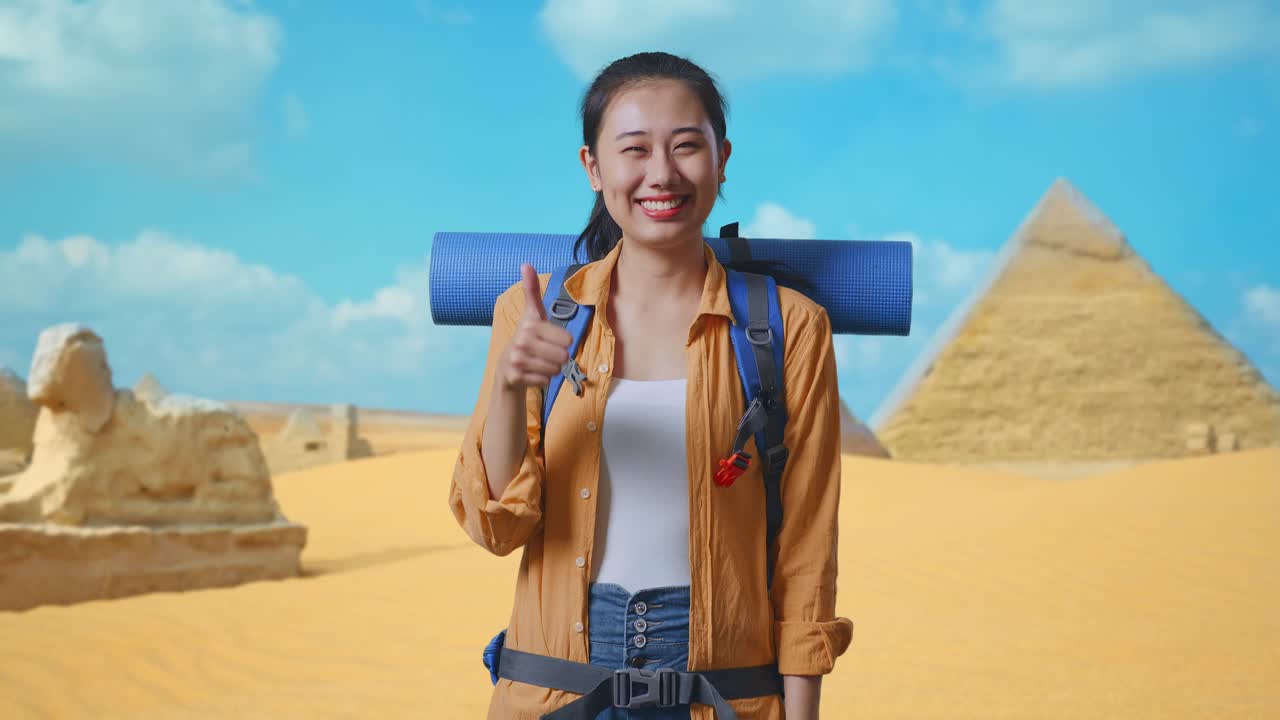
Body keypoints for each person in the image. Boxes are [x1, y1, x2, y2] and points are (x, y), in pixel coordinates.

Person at [448, 51, 853, 719]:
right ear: (593, 167)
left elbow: (808, 551)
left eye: (686, 146)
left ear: (722, 159)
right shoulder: (531, 312)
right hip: (555, 692)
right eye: (634, 149)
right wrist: (509, 387)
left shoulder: (792, 327)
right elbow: (497, 527)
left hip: (725, 694)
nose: (661, 173)